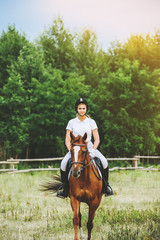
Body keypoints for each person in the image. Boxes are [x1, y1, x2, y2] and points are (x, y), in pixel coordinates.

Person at [57, 98, 114, 198]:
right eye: (80, 108)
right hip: (75, 149)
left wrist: (93, 150)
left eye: (83, 108)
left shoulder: (91, 122)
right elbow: (67, 139)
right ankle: (64, 189)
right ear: (77, 109)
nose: (82, 110)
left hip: (89, 146)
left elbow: (97, 139)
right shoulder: (71, 122)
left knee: (104, 161)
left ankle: (106, 187)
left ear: (86, 109)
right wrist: (71, 150)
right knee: (63, 163)